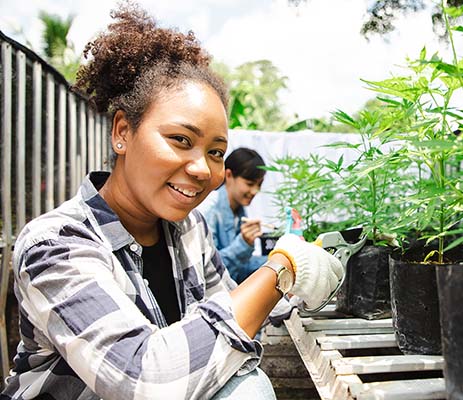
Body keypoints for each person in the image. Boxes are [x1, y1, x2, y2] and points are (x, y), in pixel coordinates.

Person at [1, 4, 343, 400]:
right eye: (181, 139)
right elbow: (144, 380)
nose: (203, 169)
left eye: (216, 152)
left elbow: (229, 304)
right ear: (123, 132)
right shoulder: (56, 243)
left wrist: (306, 278)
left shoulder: (188, 228)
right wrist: (281, 268)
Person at [198, 147, 269, 284]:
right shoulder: (209, 210)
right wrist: (243, 243)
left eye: (259, 185)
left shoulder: (239, 210)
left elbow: (241, 268)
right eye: (250, 184)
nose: (255, 191)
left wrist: (276, 260)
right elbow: (209, 270)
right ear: (228, 175)